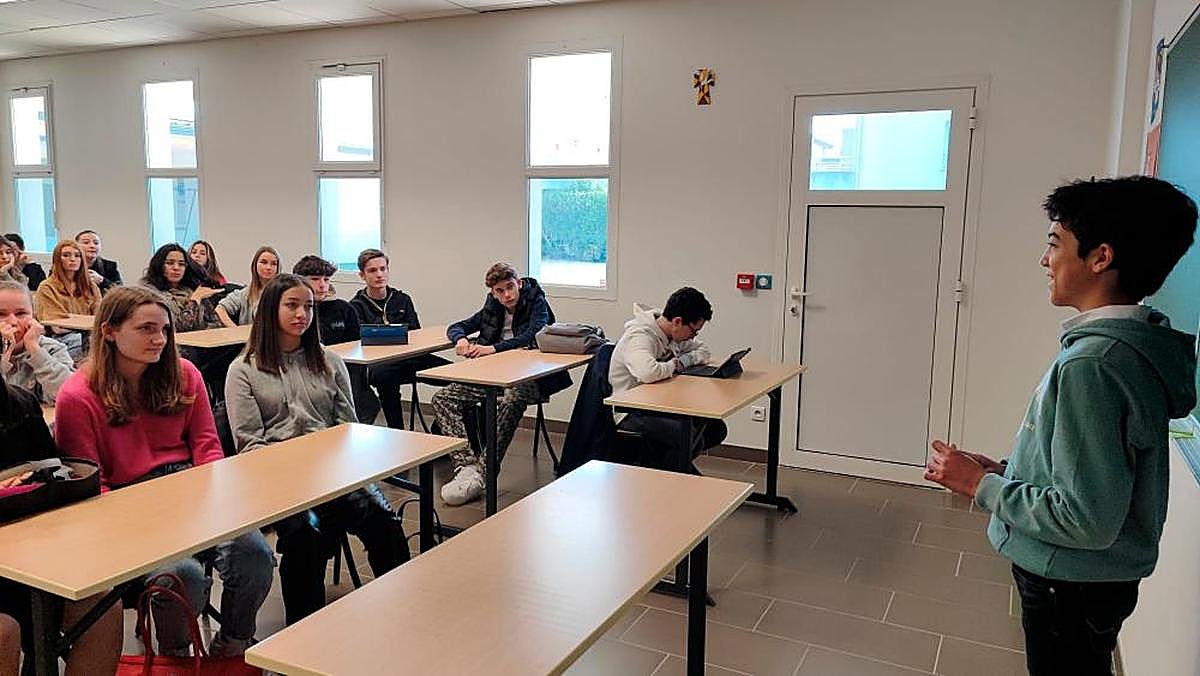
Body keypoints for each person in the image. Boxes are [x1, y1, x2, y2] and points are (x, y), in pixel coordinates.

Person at [924, 176, 1198, 676]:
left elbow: (1086, 520)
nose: (1045, 260)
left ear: (1100, 258)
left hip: (1069, 581)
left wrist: (979, 486)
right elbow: (1100, 474)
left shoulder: (1094, 363)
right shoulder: (1133, 346)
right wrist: (1009, 471)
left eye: (1055, 244)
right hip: (1094, 581)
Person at [54, 286, 274, 658]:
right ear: (109, 331)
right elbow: (93, 486)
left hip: (188, 487)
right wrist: (152, 517)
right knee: (181, 576)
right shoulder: (77, 396)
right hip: (126, 504)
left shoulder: (184, 373)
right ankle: (177, 654)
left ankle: (233, 644)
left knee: (254, 553)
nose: (159, 339)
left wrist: (216, 502)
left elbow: (207, 448)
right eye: (146, 329)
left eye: (166, 330)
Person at [225, 274, 408, 624]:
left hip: (334, 473)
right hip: (281, 481)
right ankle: (301, 634)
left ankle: (399, 612)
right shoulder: (243, 370)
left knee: (383, 521)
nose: (302, 314)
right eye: (292, 305)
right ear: (269, 311)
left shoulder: (329, 361)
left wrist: (336, 467)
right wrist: (297, 471)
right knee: (305, 536)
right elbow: (250, 445)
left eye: (308, 306)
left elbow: (347, 428)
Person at [0, 372, 123, 675]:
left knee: (102, 606)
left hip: (29, 556)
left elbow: (55, 480)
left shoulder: (20, 405)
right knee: (2, 632)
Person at [431, 262, 552, 506]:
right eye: (499, 291)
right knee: (443, 398)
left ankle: (484, 471)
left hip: (530, 375)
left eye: (510, 287)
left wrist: (493, 348)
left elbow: (533, 335)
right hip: (492, 373)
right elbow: (457, 326)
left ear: (519, 284)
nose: (506, 295)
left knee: (512, 400)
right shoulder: (492, 306)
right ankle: (466, 467)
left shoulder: (537, 301)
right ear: (492, 293)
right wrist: (461, 339)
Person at [608, 287, 727, 472]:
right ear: (678, 321)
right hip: (631, 410)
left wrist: (683, 361)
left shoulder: (672, 334)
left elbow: (703, 351)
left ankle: (666, 472)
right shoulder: (639, 336)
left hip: (659, 403)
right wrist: (672, 366)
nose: (693, 337)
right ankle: (671, 478)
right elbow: (647, 372)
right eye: (693, 331)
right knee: (686, 436)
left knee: (715, 428)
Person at [348, 248, 448, 429]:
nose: (379, 275)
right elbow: (361, 342)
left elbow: (416, 334)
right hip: (380, 365)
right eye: (372, 271)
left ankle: (441, 428)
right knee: (385, 378)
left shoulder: (402, 299)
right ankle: (397, 432)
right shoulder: (355, 306)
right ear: (362, 275)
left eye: (383, 269)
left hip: (411, 359)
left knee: (456, 375)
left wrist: (382, 334)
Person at [293, 255, 380, 424]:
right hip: (306, 372)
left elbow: (357, 348)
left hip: (343, 371)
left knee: (363, 395)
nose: (322, 284)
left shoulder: (344, 309)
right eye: (315, 279)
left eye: (326, 279)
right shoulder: (297, 312)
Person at [0, 281, 73, 405]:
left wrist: (34, 350)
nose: (12, 321)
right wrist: (5, 352)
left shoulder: (52, 349)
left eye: (21, 313)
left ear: (34, 317)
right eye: (1, 314)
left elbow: (69, 394)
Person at [35, 240, 101, 358]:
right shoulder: (47, 287)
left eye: (77, 255)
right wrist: (85, 324)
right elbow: (56, 326)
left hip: (90, 334)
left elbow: (99, 315)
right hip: (60, 338)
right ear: (57, 259)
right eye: (66, 255)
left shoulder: (90, 286)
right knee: (81, 343)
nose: (72, 259)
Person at [140, 244, 223, 332]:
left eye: (181, 264)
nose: (176, 268)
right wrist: (195, 300)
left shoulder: (190, 290)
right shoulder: (150, 293)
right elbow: (177, 328)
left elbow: (217, 323)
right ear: (159, 265)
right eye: (170, 263)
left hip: (201, 343)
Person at [216, 246, 279, 327]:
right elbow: (220, 309)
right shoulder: (245, 293)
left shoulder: (283, 293)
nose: (268, 267)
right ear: (255, 265)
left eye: (274, 264)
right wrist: (235, 330)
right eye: (263, 262)